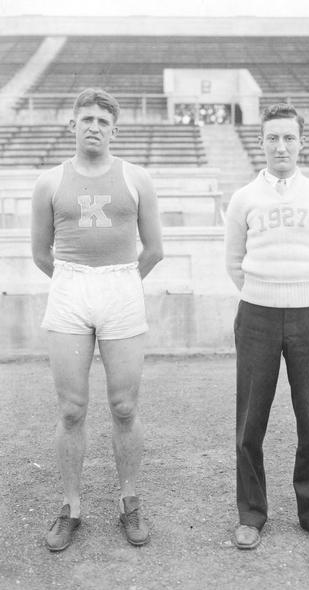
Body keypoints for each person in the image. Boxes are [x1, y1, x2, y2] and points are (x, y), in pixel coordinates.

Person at [31, 88, 163, 551]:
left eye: (103, 122)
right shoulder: (49, 182)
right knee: (71, 408)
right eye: (86, 119)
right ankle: (71, 507)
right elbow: (40, 253)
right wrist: (77, 282)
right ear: (72, 125)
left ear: (114, 129)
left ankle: (130, 501)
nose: (94, 127)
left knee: (125, 406)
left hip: (121, 287)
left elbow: (155, 249)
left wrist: (120, 283)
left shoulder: (136, 178)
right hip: (69, 287)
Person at [225, 103, 309, 551]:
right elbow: (234, 262)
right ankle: (251, 514)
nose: (281, 146)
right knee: (250, 421)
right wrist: (265, 291)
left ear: (301, 142)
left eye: (289, 137)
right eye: (272, 137)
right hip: (256, 314)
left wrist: (304, 291)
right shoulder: (244, 198)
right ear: (261, 142)